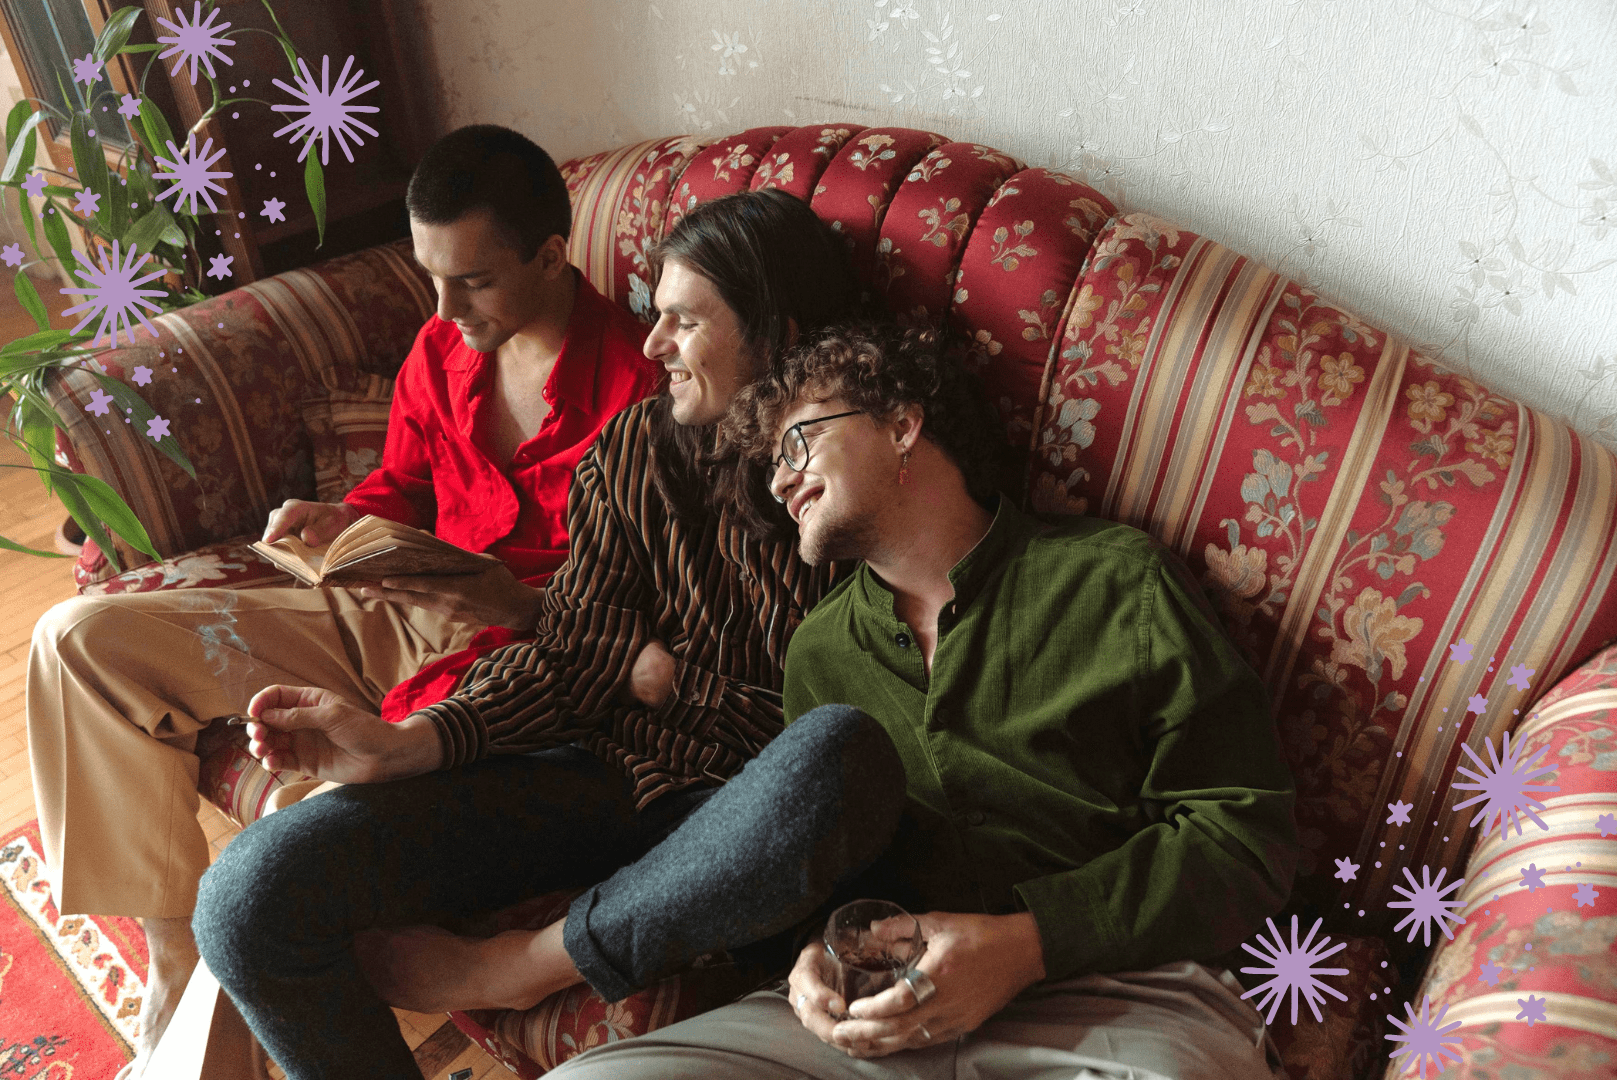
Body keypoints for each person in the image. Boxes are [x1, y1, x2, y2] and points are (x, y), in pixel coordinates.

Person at [191, 189, 902, 1080]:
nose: (653, 345)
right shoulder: (635, 453)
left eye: (684, 321)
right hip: (598, 771)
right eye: (656, 316)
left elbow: (857, 724)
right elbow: (572, 650)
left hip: (744, 814)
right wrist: (408, 744)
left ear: (779, 331)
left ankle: (519, 967)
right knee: (246, 900)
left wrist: (676, 680)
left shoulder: (863, 479)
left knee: (836, 757)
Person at [25, 123, 661, 1079]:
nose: (442, 307)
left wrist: (502, 594)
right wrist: (335, 522)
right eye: (430, 276)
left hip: (505, 657)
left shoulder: (640, 393)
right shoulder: (443, 348)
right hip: (375, 601)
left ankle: (206, 1043)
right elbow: (398, 491)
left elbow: (628, 614)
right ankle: (172, 956)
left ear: (550, 254)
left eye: (473, 281)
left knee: (289, 858)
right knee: (76, 638)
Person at [543, 322, 1302, 1079]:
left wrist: (1026, 943)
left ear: (903, 424)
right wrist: (813, 958)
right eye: (771, 464)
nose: (778, 482)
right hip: (878, 1012)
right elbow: (827, 869)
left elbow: (1243, 839)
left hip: (1117, 995)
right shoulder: (819, 650)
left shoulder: (1118, 582)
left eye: (798, 443)